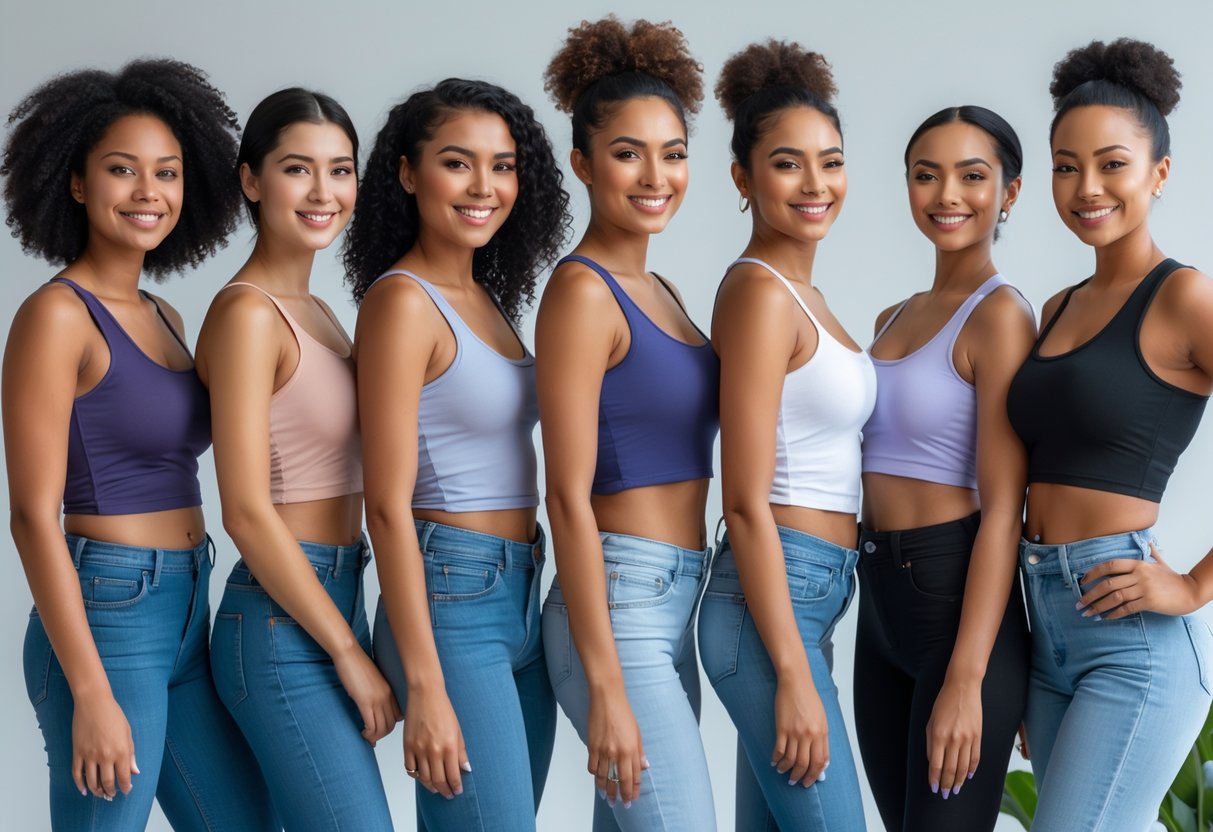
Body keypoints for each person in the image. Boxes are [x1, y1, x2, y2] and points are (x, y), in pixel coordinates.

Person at [2, 59, 276, 830]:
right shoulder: (57, 316)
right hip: (108, 612)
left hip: (188, 602)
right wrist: (90, 691)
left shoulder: (165, 316)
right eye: (122, 169)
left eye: (167, 172)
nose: (148, 191)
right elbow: (31, 516)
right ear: (77, 183)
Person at [345, 77, 569, 832]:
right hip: (452, 599)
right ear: (408, 174)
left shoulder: (486, 298)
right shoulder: (402, 302)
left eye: (502, 166)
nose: (484, 186)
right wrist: (424, 684)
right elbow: (385, 505)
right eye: (457, 163)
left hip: (519, 585)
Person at [1007, 38, 1213, 832]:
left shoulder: (1183, 298)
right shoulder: (1056, 306)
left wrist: (1193, 586)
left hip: (1131, 639)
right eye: (1065, 167)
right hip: (1045, 627)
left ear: (1158, 173)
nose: (1085, 188)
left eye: (1111, 164)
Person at [537, 16, 719, 831]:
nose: (655, 176)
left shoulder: (663, 291)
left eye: (672, 153)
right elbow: (565, 497)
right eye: (626, 153)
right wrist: (605, 683)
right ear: (582, 163)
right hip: (616, 609)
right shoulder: (582, 293)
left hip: (674, 601)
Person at [198, 87, 397, 830]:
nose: (323, 192)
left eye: (340, 170)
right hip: (282, 621)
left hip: (334, 594)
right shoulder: (249, 314)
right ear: (252, 180)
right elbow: (246, 511)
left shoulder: (317, 311)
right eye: (297, 169)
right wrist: (346, 651)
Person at [696, 40, 870, 831]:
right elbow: (743, 499)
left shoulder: (804, 294)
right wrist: (793, 674)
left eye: (829, 163)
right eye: (787, 164)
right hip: (770, 606)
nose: (814, 184)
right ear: (743, 178)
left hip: (808, 598)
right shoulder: (761, 295)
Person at [855, 105, 1034, 831]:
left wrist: (967, 678)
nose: (946, 195)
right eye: (926, 175)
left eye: (972, 176)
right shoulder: (890, 319)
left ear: (1009, 192)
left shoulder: (1001, 317)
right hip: (878, 601)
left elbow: (1004, 509)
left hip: (956, 603)